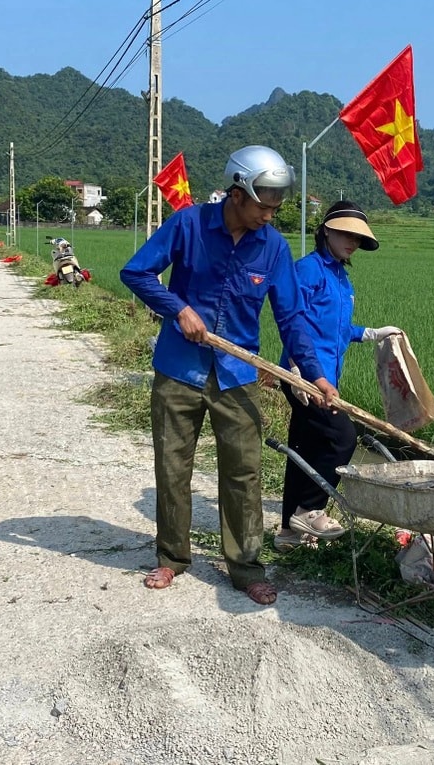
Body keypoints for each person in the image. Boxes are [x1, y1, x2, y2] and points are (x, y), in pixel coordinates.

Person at [120, 145, 338, 606]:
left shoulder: (273, 247)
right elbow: (135, 272)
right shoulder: (188, 225)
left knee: (244, 473)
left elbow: (292, 318)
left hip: (238, 375)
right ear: (238, 191)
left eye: (278, 206)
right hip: (179, 369)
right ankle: (171, 557)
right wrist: (177, 309)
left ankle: (245, 566)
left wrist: (314, 375)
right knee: (173, 465)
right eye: (264, 204)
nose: (270, 214)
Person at [274, 201, 402, 552]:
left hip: (327, 377)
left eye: (358, 239)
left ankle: (288, 533)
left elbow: (338, 329)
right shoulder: (309, 270)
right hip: (304, 377)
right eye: (346, 234)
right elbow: (292, 320)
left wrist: (374, 333)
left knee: (305, 446)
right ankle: (310, 509)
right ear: (326, 230)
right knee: (342, 438)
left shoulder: (342, 279)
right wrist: (299, 368)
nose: (352, 242)